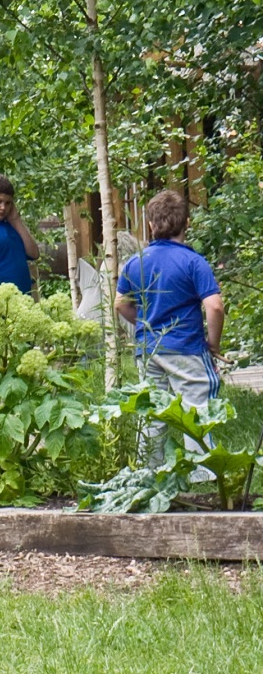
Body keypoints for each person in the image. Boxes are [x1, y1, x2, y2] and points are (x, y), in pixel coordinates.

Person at [116, 189, 225, 468]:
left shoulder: (135, 262)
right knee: (198, 408)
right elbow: (214, 306)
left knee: (152, 411)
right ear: (187, 223)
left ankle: (148, 473)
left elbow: (120, 304)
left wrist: (144, 323)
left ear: (151, 225)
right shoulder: (193, 262)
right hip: (186, 347)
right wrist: (213, 345)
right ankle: (205, 475)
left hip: (148, 350)